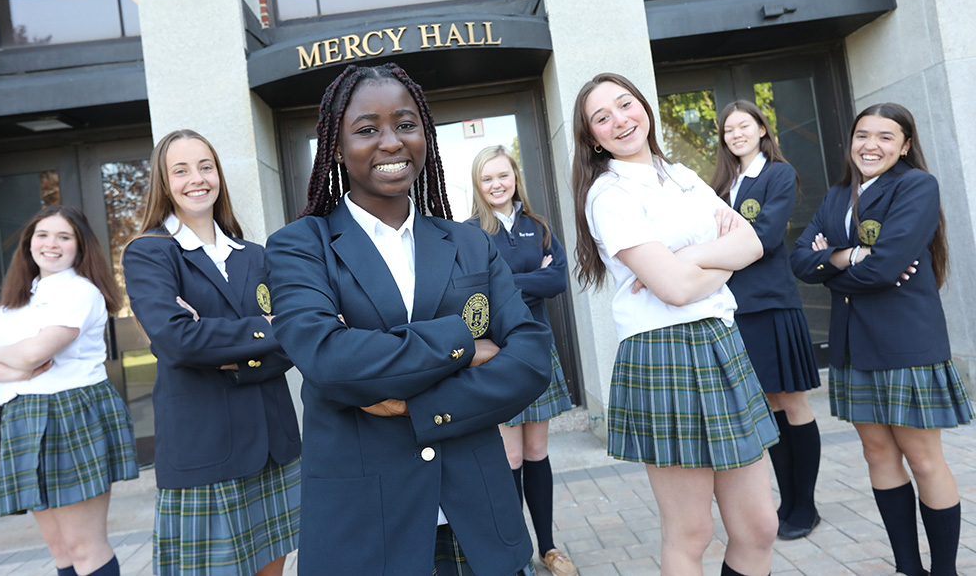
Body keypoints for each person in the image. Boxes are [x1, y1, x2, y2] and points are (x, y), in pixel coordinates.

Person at [265, 63, 553, 576]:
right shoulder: (300, 247)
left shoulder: (470, 242)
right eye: (367, 129)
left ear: (426, 135)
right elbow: (328, 360)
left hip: (480, 523)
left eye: (405, 124)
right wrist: (465, 340)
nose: (391, 142)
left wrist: (415, 405)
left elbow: (530, 359)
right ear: (334, 146)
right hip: (366, 531)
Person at [571, 72, 778, 576]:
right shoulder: (610, 195)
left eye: (625, 104)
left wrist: (690, 256)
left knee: (759, 525)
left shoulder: (681, 174)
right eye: (603, 117)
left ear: (644, 106)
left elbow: (753, 243)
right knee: (692, 533)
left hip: (720, 341)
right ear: (593, 138)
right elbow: (676, 289)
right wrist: (715, 259)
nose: (620, 120)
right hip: (663, 354)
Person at [791, 103, 972, 576]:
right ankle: (907, 568)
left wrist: (829, 265)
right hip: (854, 344)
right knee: (877, 452)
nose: (871, 145)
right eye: (862, 135)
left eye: (885, 137)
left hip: (905, 342)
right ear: (850, 142)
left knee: (924, 459)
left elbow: (885, 267)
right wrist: (851, 256)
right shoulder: (836, 197)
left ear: (906, 145)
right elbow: (798, 262)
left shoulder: (916, 186)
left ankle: (945, 571)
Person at [122, 129, 301, 576]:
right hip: (205, 448)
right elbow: (177, 342)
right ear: (164, 183)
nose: (196, 179)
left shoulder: (255, 255)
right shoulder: (149, 254)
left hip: (272, 444)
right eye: (180, 170)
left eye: (205, 166)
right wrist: (266, 330)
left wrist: (223, 346)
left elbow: (297, 338)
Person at [0, 204, 138, 576]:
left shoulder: (80, 292)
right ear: (29, 243)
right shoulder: (17, 298)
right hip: (23, 415)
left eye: (64, 237)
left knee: (84, 547)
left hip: (71, 412)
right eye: (43, 235)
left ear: (80, 247)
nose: (51, 244)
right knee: (60, 548)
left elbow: (36, 351)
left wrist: (7, 357)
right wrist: (19, 370)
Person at [708, 100, 822, 540]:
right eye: (728, 130)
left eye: (743, 126)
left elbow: (768, 236)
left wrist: (725, 235)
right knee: (770, 406)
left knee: (792, 402)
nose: (735, 135)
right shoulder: (722, 183)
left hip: (772, 303)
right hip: (737, 306)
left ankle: (805, 506)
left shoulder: (777, 174)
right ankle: (787, 501)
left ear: (761, 129)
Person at [467, 145, 576, 576]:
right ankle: (513, 551)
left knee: (536, 451)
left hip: (537, 347)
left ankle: (548, 548)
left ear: (515, 177)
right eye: (487, 178)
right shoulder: (470, 233)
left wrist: (509, 284)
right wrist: (532, 281)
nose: (497, 184)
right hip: (498, 355)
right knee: (509, 457)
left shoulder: (538, 226)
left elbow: (558, 280)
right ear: (478, 185)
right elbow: (477, 296)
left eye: (503, 175)